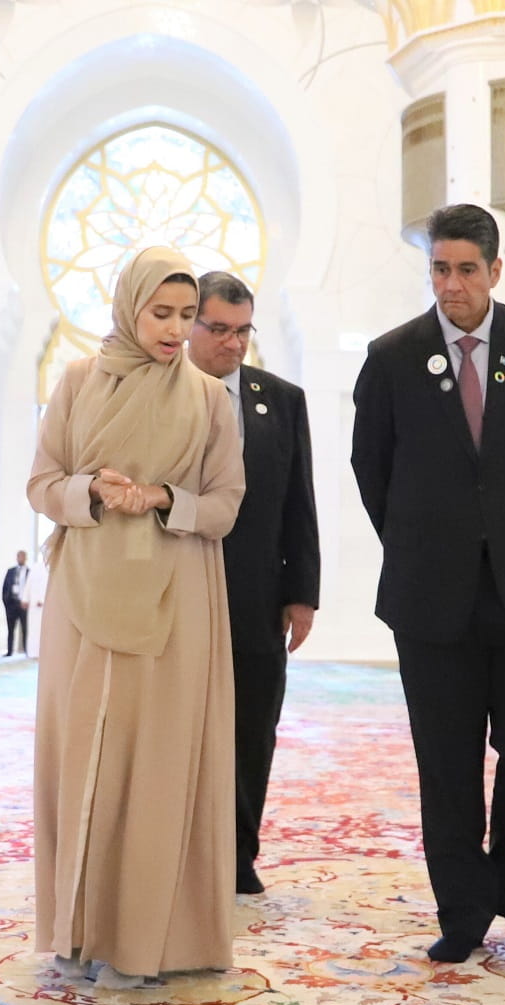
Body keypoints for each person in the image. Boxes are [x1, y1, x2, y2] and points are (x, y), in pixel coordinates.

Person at [350, 204, 505, 964]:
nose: (451, 285)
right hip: (432, 593)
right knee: (446, 758)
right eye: (439, 269)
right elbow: (371, 467)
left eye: (465, 270)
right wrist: (427, 539)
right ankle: (462, 908)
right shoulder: (393, 357)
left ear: (494, 271)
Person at [27, 246, 245, 987]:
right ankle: (78, 931)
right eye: (161, 314)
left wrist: (162, 499)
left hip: (176, 595)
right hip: (84, 591)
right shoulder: (78, 380)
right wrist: (90, 489)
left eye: (186, 316)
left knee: (157, 762)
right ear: (128, 308)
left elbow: (225, 504)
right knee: (83, 753)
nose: (175, 330)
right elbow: (42, 483)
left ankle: (149, 941)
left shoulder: (208, 399)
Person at [186, 270, 321, 896]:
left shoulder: (281, 400)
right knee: (180, 725)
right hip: (176, 587)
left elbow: (299, 501)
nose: (233, 343)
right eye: (219, 329)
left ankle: (238, 854)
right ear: (190, 326)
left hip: (257, 595)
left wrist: (303, 594)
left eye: (243, 331)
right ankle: (178, 851)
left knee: (251, 726)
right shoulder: (159, 393)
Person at [2, 551, 31, 657]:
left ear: (26, 558)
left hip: (23, 604)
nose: (21, 558)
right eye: (19, 556)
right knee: (10, 629)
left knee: (25, 628)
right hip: (11, 604)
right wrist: (6, 602)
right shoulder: (10, 571)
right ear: (17, 558)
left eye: (23, 556)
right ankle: (9, 651)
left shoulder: (29, 572)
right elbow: (5, 587)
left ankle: (27, 651)